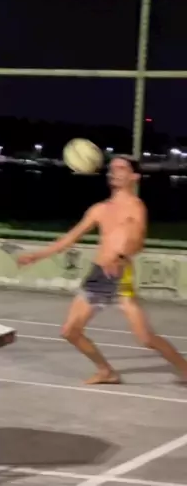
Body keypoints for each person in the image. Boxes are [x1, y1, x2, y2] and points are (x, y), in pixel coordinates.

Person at [17, 155, 187, 385]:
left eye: (121, 168)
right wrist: (36, 256)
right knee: (70, 331)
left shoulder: (136, 207)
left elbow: (137, 241)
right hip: (98, 276)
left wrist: (120, 257)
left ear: (134, 176)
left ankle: (185, 369)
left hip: (119, 275)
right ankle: (106, 371)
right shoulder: (99, 209)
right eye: (112, 168)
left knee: (146, 338)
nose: (114, 172)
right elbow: (69, 239)